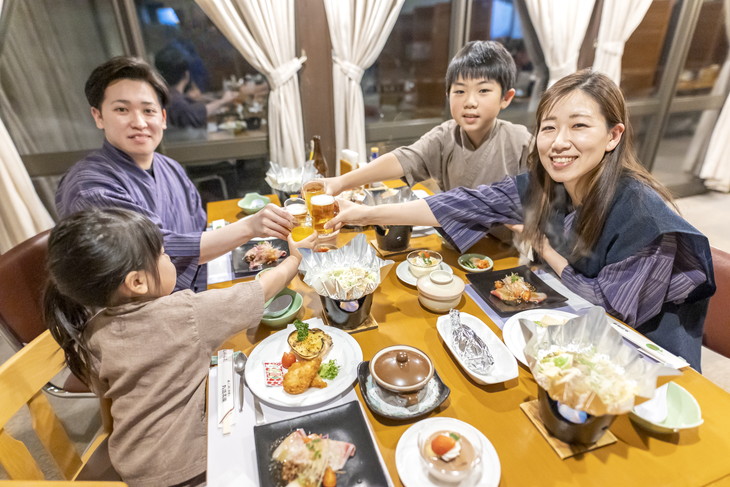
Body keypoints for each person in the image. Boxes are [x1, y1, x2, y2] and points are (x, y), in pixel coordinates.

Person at [327, 70, 715, 370]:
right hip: (576, 332)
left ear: (613, 135)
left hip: (646, 362)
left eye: (579, 125)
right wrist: (364, 213)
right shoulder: (544, 183)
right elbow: (459, 204)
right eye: (549, 127)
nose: (559, 142)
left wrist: (544, 245)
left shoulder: (644, 216)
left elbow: (608, 308)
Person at [43, 207, 316, 486]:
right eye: (163, 255)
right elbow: (258, 292)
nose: (169, 258)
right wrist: (294, 259)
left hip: (133, 466)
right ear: (137, 282)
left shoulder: (91, 330)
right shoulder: (184, 313)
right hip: (192, 468)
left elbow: (106, 397)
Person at [55, 56, 293, 292]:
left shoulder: (169, 167)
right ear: (98, 116)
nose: (139, 122)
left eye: (148, 110)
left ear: (163, 118)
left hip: (203, 280)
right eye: (122, 109)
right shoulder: (89, 188)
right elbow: (150, 253)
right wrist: (249, 227)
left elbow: (200, 227)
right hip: (152, 307)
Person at [324, 40, 532, 195]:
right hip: (453, 238)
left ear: (506, 98)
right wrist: (341, 182)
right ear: (448, 95)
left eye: (483, 90)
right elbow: (405, 159)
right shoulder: (445, 135)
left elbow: (538, 205)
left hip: (506, 242)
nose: (470, 102)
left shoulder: (521, 142)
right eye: (460, 91)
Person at [154, 44, 238, 129]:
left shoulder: (166, 95)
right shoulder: (175, 101)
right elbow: (194, 113)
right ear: (186, 74)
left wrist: (217, 98)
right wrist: (223, 101)